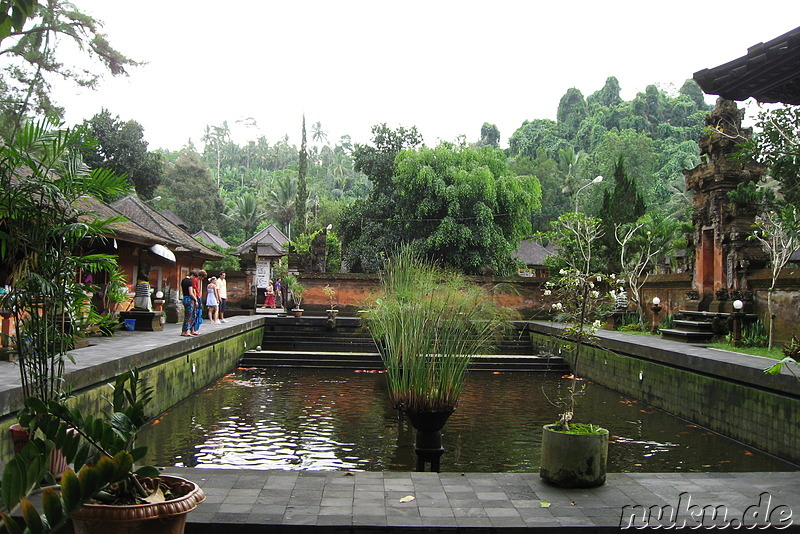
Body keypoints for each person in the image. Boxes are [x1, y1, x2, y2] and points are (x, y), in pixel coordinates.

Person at [180, 271, 199, 336]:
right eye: (194, 277)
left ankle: (184, 331)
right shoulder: (189, 282)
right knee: (191, 315)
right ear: (192, 275)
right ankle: (187, 331)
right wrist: (196, 300)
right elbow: (191, 293)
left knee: (187, 315)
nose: (193, 279)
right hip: (189, 299)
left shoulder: (183, 281)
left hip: (184, 298)